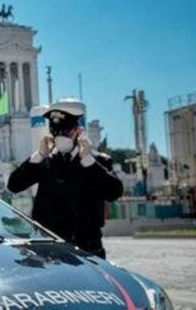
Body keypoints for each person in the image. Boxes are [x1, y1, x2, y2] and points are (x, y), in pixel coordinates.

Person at [7, 101, 123, 258]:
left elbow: (114, 192)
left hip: (87, 250)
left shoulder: (97, 161)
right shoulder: (46, 161)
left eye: (65, 131)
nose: (60, 136)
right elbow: (14, 185)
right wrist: (39, 155)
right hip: (51, 250)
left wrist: (88, 161)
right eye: (56, 132)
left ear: (78, 131)